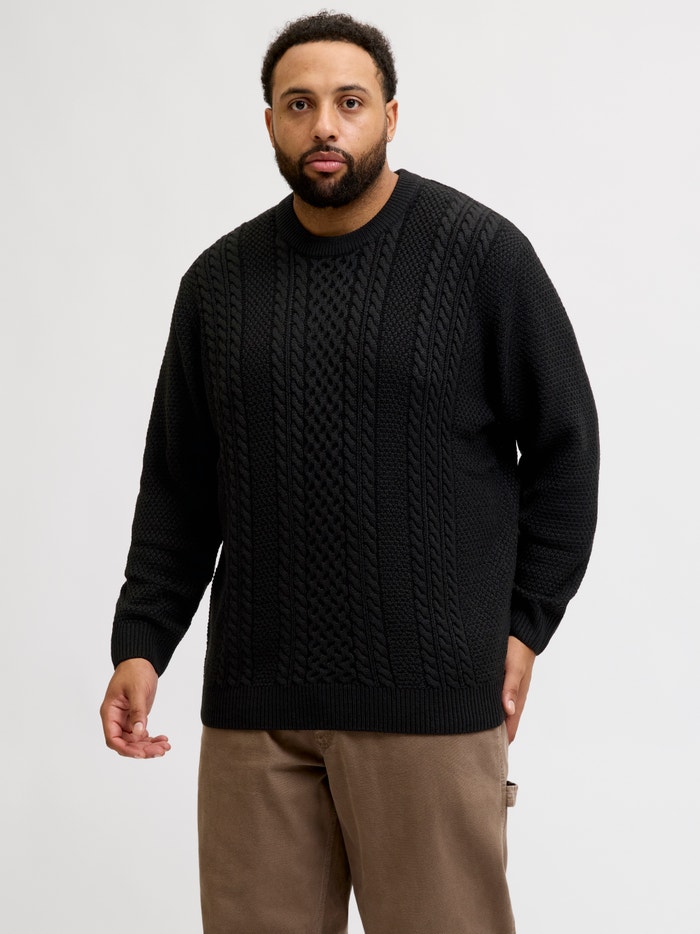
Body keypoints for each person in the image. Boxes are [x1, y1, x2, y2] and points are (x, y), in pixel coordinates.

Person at [100, 10, 599, 933]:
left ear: (390, 116)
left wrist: (526, 626)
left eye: (350, 102)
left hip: (431, 704)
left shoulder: (480, 256)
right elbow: (179, 487)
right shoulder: (217, 285)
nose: (324, 125)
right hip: (256, 713)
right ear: (270, 124)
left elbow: (566, 447)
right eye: (299, 105)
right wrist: (141, 643)